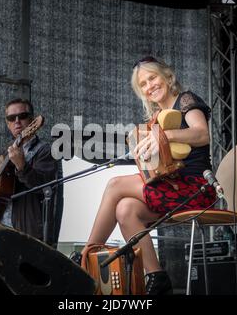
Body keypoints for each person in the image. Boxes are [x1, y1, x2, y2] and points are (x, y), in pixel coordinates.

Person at [83, 56, 217, 295]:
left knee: (115, 185)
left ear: (167, 76)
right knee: (125, 209)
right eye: (143, 84)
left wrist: (163, 137)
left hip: (196, 188)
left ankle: (85, 258)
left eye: (152, 78)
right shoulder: (156, 119)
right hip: (173, 188)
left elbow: (202, 134)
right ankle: (156, 275)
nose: (149, 86)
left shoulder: (185, 100)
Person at [0, 98, 61, 247]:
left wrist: (22, 167)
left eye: (22, 116)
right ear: (7, 124)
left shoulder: (45, 151)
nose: (17, 121)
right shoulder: (3, 155)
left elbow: (45, 186)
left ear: (31, 121)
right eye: (11, 118)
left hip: (27, 233)